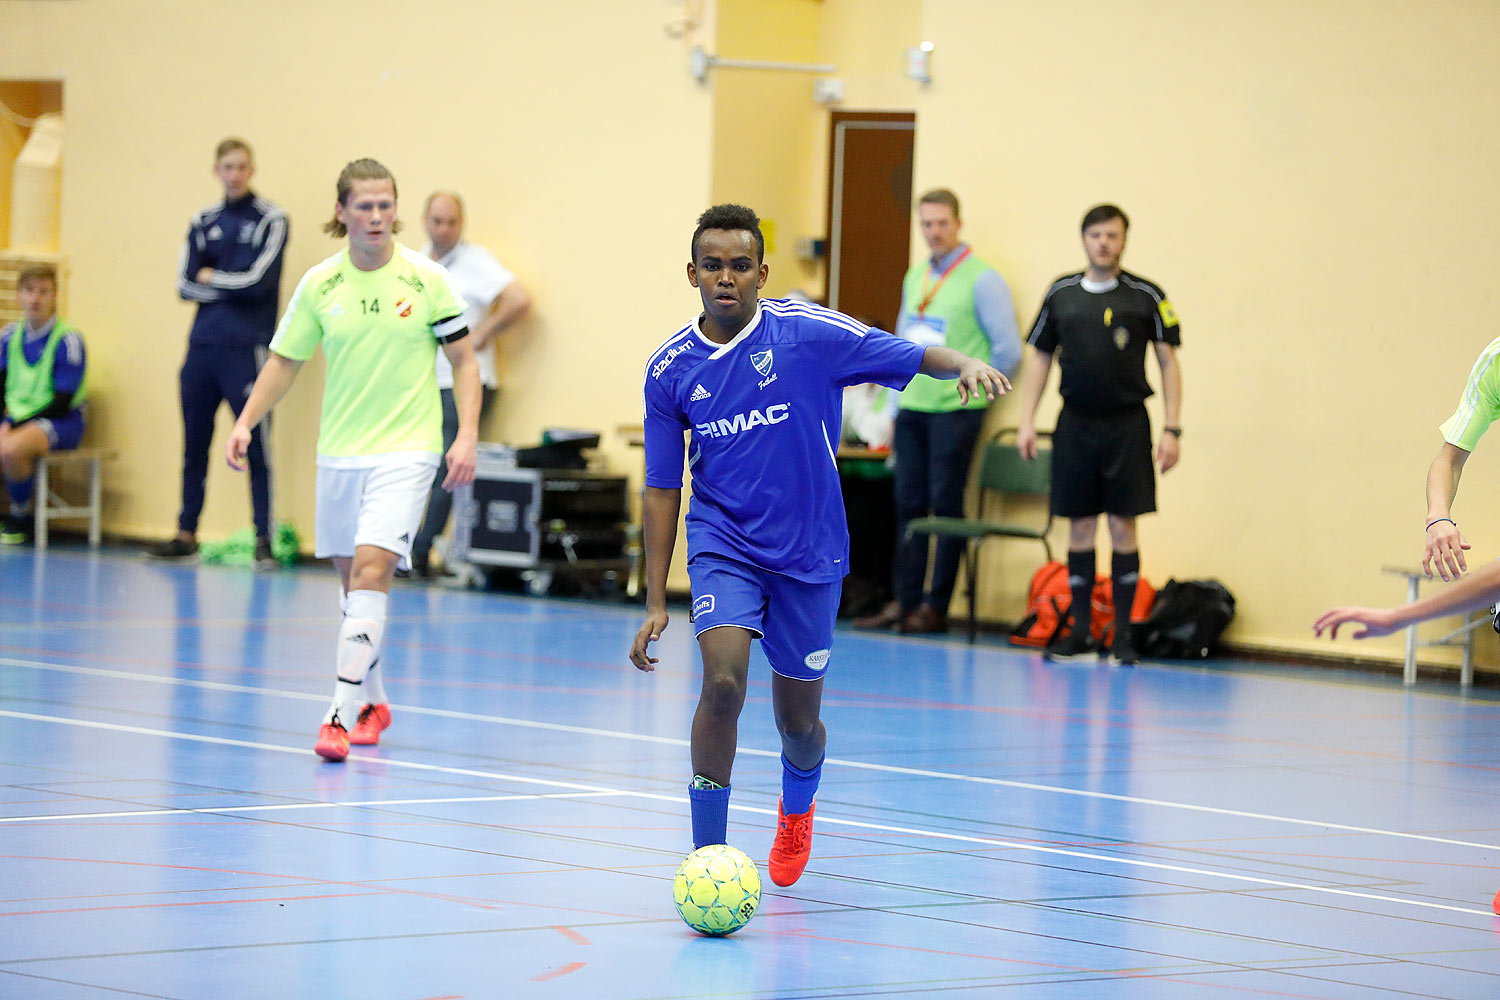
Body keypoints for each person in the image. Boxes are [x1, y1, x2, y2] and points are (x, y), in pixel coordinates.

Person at [629, 204, 1008, 886]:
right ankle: (707, 857)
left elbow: (907, 351)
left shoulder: (806, 332)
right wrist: (656, 597)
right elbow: (662, 488)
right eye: (712, 265)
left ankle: (796, 811)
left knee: (798, 723)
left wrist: (964, 364)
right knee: (721, 683)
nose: (726, 278)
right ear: (692, 273)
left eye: (741, 265)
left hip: (809, 551)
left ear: (761, 273)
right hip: (724, 543)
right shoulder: (669, 370)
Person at [225, 158, 481, 762]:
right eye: (363, 206)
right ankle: (373, 699)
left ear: (397, 210)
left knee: (371, 573)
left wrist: (465, 433)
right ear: (341, 212)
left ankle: (338, 715)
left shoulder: (426, 281)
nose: (376, 216)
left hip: (408, 450)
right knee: (353, 592)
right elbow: (285, 361)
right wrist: (244, 421)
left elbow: (465, 361)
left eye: (385, 205)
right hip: (339, 454)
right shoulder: (320, 284)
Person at [1015, 204, 1183, 665]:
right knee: (1081, 524)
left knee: (1122, 524)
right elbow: (1041, 359)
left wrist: (1172, 429)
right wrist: (1027, 420)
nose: (1103, 243)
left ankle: (1123, 635)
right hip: (1075, 423)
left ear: (1124, 241)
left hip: (1127, 424)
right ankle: (1082, 632)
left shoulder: (1146, 295)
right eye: (1095, 235)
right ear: (1084, 240)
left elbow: (1169, 360)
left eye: (1112, 235)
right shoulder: (1061, 293)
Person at [855, 188, 1021, 634]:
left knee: (945, 503)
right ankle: (903, 600)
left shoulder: (983, 279)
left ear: (958, 223)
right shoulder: (916, 276)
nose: (934, 232)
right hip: (912, 405)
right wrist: (891, 405)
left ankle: (935, 606)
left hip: (955, 410)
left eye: (942, 223)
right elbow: (900, 342)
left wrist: (977, 389)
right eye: (926, 224)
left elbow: (1007, 350)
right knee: (907, 504)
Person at [152, 138, 288, 569]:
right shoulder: (202, 219)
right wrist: (228, 282)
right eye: (227, 166)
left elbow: (259, 283)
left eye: (242, 166)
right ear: (216, 170)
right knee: (195, 443)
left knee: (256, 447)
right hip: (202, 349)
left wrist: (214, 278)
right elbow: (183, 284)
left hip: (246, 350)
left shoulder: (272, 219)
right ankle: (186, 533)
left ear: (252, 169)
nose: (234, 174)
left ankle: (263, 539)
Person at [409, 190, 531, 578]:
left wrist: (482, 333)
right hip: (426, 381)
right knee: (422, 464)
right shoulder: (415, 261)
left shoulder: (476, 262)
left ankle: (420, 551)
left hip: (463, 381)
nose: (443, 229)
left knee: (448, 465)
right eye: (437, 221)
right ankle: (414, 549)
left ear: (462, 223)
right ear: (425, 220)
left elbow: (519, 299)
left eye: (451, 222)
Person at [0, 265, 87, 545]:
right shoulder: (9, 336)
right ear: (19, 296)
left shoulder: (67, 339)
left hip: (62, 421)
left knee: (11, 448)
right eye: (29, 291)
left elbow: (61, 403)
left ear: (55, 296)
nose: (35, 299)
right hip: (15, 418)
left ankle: (21, 514)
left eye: (43, 292)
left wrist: (13, 425)